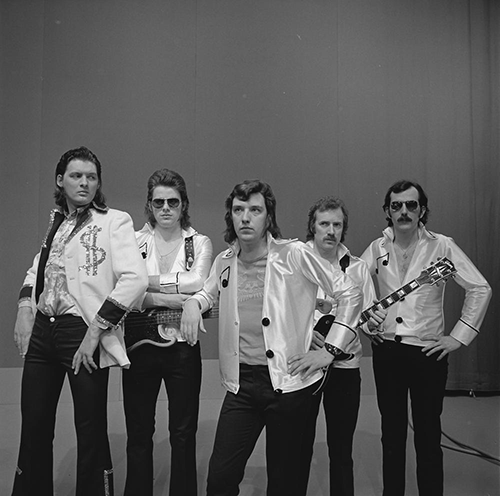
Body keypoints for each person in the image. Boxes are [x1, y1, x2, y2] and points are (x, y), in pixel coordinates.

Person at [181, 179, 363, 496]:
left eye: (255, 210)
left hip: (288, 385)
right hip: (241, 386)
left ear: (268, 217)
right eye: (238, 210)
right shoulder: (225, 261)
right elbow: (207, 293)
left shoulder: (294, 254)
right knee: (220, 480)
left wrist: (330, 350)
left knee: (285, 483)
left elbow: (350, 293)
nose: (245, 217)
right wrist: (193, 304)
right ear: (230, 216)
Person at [12, 146, 148, 496]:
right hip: (43, 330)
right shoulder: (57, 221)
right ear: (61, 180)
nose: (84, 183)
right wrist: (25, 309)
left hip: (82, 330)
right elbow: (37, 270)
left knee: (90, 429)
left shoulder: (114, 220)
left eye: (91, 177)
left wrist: (96, 331)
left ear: (98, 183)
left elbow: (136, 279)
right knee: (34, 426)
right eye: (76, 176)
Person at [360, 179, 492, 496]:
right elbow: (354, 290)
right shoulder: (377, 248)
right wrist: (368, 323)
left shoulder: (442, 246)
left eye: (411, 205)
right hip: (387, 353)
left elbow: (479, 287)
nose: (404, 211)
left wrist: (458, 337)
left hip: (428, 355)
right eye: (396, 206)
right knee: (391, 435)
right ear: (388, 211)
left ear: (422, 210)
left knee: (428, 435)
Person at [122, 169, 213, 496]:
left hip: (183, 348)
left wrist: (144, 286)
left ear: (183, 204)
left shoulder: (199, 242)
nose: (165, 208)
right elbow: (123, 292)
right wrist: (170, 299)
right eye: (158, 202)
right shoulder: (133, 241)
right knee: (138, 434)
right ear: (149, 204)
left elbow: (197, 282)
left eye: (172, 202)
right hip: (138, 346)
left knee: (183, 434)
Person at [296, 196, 386, 496]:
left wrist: (375, 322)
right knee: (298, 447)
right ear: (313, 226)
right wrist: (306, 334)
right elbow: (281, 312)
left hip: (345, 366)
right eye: (324, 224)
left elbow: (368, 319)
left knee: (341, 449)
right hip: (304, 365)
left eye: (337, 225)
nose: (331, 231)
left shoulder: (357, 268)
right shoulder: (294, 262)